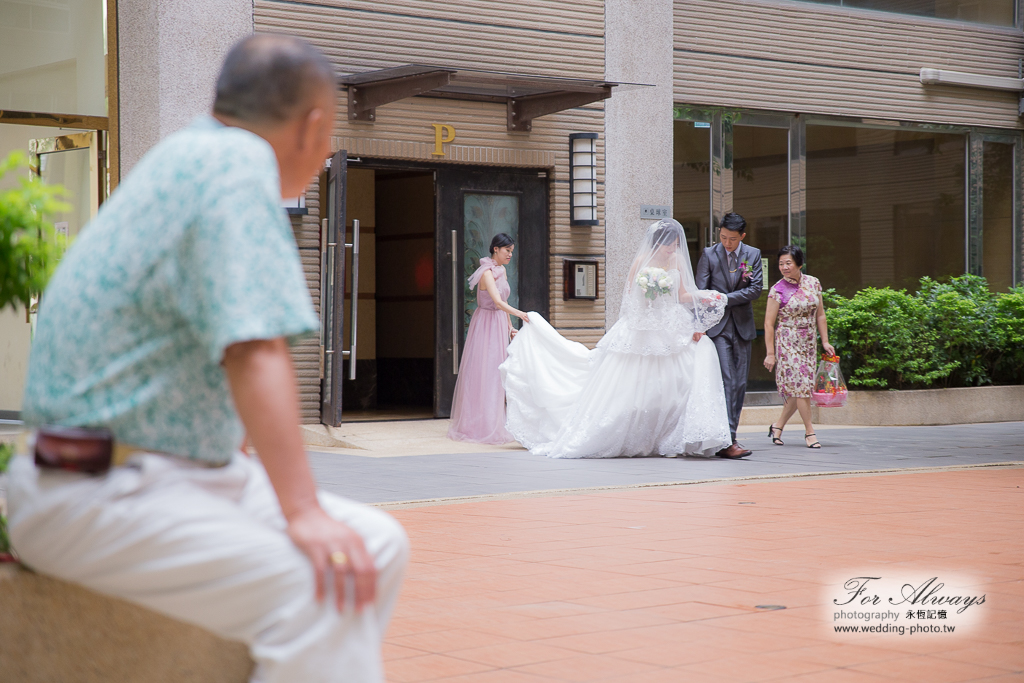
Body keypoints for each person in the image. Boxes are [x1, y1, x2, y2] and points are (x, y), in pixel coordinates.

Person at [7, 35, 408, 683]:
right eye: (330, 131)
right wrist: (302, 511)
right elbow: (253, 348)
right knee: (314, 588)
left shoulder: (192, 156)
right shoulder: (234, 165)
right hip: (96, 487)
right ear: (312, 125)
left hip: (154, 477)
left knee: (380, 544)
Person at [500, 219, 732, 458]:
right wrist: (648, 308)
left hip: (670, 324)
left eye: (675, 245)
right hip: (643, 324)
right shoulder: (642, 262)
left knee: (686, 370)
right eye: (668, 246)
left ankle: (672, 434)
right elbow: (631, 299)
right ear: (657, 243)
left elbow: (682, 295)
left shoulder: (678, 261)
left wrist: (705, 297)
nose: (673, 250)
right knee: (633, 386)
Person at [448, 233, 529, 444]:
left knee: (499, 374)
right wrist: (520, 314)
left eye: (512, 251)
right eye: (507, 250)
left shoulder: (502, 272)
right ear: (495, 249)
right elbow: (497, 302)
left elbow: (503, 302)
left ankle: (496, 421)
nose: (510, 254)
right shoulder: (486, 273)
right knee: (486, 373)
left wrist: (510, 327)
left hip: (499, 323)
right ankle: (479, 425)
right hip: (486, 325)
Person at [694, 212, 763, 459]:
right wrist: (699, 323)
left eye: (732, 239)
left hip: (743, 327)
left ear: (742, 236)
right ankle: (727, 440)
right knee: (727, 381)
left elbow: (755, 289)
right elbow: (700, 292)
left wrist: (725, 298)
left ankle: (729, 438)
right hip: (717, 327)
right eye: (723, 237)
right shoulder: (709, 254)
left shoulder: (753, 254)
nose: (727, 243)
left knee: (740, 385)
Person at [763, 245, 835, 449]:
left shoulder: (814, 283)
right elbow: (769, 324)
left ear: (799, 264)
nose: (784, 267)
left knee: (799, 388)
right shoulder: (777, 290)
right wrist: (770, 353)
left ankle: (777, 427)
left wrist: (825, 341)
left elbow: (820, 314)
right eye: (781, 264)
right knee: (802, 388)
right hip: (788, 342)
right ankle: (810, 432)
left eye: (788, 263)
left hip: (808, 342)